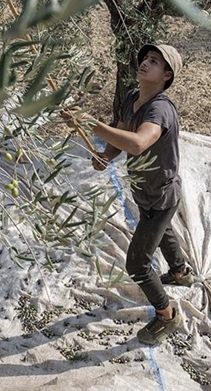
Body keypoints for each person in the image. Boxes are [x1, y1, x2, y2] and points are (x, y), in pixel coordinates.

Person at [62, 44, 194, 345]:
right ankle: (180, 272)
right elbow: (121, 131)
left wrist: (89, 123)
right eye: (146, 59)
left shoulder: (160, 109)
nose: (145, 64)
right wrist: (106, 155)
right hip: (144, 189)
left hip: (161, 193)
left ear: (167, 75)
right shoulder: (133, 97)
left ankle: (167, 315)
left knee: (137, 263)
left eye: (154, 62)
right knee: (161, 228)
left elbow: (136, 144)